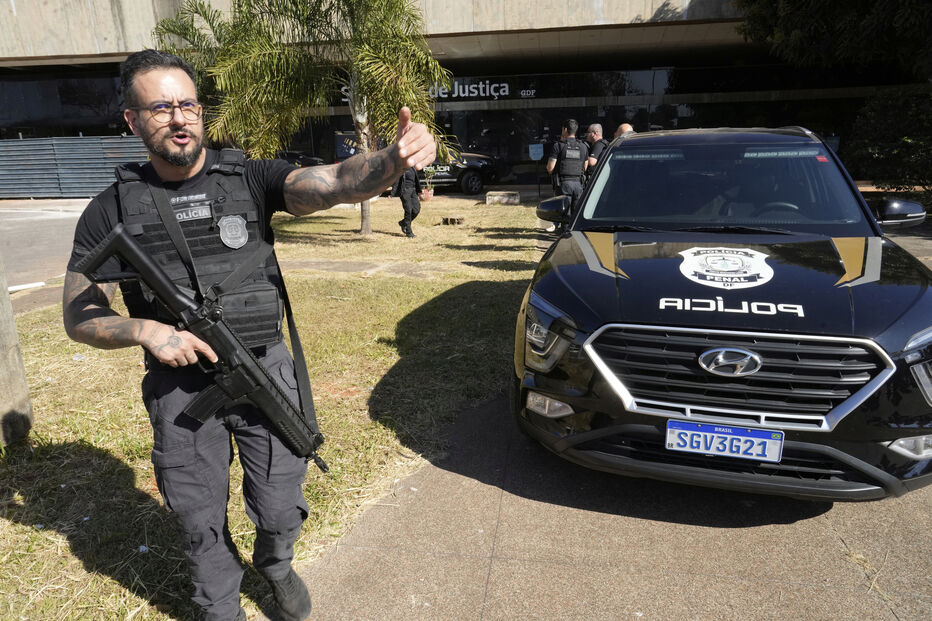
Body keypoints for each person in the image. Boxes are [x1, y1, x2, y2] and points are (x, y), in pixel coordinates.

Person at [61, 49, 435, 621]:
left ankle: (277, 564)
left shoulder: (251, 178)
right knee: (196, 518)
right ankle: (219, 605)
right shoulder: (108, 210)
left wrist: (391, 159)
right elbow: (79, 313)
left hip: (263, 368)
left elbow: (336, 181)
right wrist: (145, 331)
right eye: (160, 108)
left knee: (282, 503)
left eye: (187, 104)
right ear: (132, 120)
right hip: (181, 391)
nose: (179, 118)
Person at [546, 118, 589, 216]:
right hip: (578, 185)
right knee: (576, 214)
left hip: (563, 184)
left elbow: (550, 168)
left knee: (565, 215)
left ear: (565, 130)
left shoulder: (558, 146)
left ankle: (565, 231)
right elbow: (585, 167)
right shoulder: (583, 146)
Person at [391, 166, 421, 237]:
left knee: (416, 209)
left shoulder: (413, 168)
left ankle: (403, 222)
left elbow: (416, 180)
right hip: (404, 191)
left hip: (413, 190)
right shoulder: (401, 167)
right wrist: (392, 193)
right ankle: (409, 232)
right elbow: (396, 181)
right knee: (408, 210)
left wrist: (419, 190)